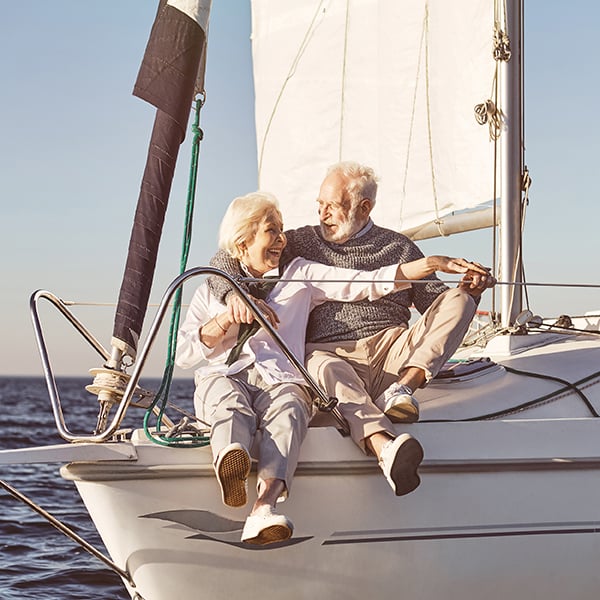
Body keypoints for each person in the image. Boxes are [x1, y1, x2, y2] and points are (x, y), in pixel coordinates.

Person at [177, 191, 488, 545]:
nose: (282, 239)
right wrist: (223, 321)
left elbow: (363, 283)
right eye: (272, 232)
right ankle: (230, 459)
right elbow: (185, 353)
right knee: (228, 403)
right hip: (225, 373)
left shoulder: (299, 274)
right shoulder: (214, 288)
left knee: (292, 410)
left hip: (280, 379)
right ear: (244, 240)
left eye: (281, 230)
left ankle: (263, 509)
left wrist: (431, 263)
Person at [207, 161, 496, 467]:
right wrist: (234, 294)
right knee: (321, 364)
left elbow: (435, 305)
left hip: (392, 351)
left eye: (333, 206)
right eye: (320, 205)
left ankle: (403, 389)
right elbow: (225, 256)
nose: (323, 214)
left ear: (364, 208)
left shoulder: (400, 247)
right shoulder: (298, 243)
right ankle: (384, 447)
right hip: (329, 357)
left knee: (460, 300)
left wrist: (470, 291)